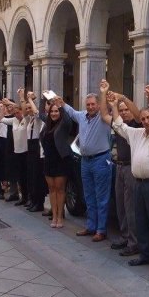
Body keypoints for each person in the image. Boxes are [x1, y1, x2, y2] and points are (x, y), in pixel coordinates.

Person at [110, 84, 149, 273]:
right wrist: (113, 105)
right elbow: (118, 124)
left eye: (148, 118)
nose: (146, 121)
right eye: (143, 118)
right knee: (141, 220)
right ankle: (145, 255)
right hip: (139, 184)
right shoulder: (135, 134)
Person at [61, 92, 112, 242]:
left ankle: (101, 230)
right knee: (88, 195)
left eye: (93, 104)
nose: (90, 107)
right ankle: (91, 226)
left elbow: (106, 108)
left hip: (101, 160)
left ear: (98, 105)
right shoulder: (82, 115)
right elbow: (71, 112)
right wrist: (61, 103)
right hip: (85, 161)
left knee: (101, 197)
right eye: (88, 104)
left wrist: (103, 93)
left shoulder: (103, 117)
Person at [99, 80, 141, 256]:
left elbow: (138, 114)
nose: (124, 113)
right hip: (119, 167)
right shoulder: (117, 124)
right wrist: (104, 94)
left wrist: (122, 97)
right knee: (121, 205)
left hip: (132, 168)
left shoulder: (137, 124)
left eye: (126, 110)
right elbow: (103, 114)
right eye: (121, 110)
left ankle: (134, 242)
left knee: (131, 208)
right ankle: (125, 237)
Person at [40, 100, 73, 228]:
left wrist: (60, 105)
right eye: (52, 111)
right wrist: (43, 98)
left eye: (56, 111)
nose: (54, 113)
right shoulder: (47, 124)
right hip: (48, 160)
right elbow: (40, 112)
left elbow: (68, 118)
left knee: (60, 189)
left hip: (61, 160)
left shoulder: (64, 124)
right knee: (52, 190)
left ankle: (60, 217)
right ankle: (54, 216)